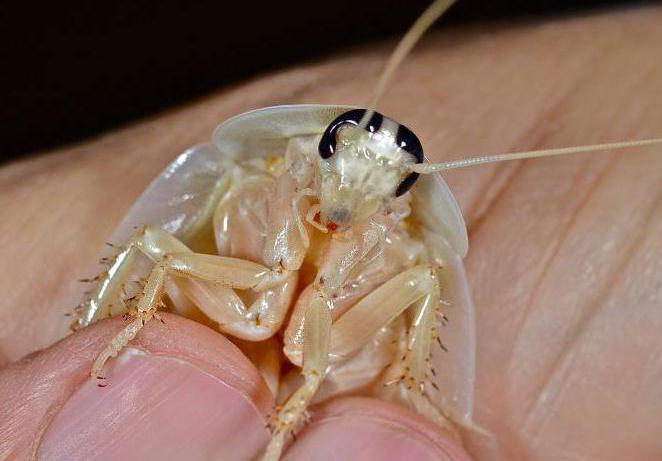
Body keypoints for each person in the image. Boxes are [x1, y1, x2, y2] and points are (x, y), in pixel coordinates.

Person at [1, 4, 661, 460]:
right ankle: (103, 341)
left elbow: (348, 326)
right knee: (155, 251)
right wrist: (96, 336)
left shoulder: (407, 249)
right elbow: (158, 247)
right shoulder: (256, 176)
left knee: (417, 281)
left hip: (339, 372)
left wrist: (414, 388)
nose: (346, 202)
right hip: (223, 310)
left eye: (385, 187)